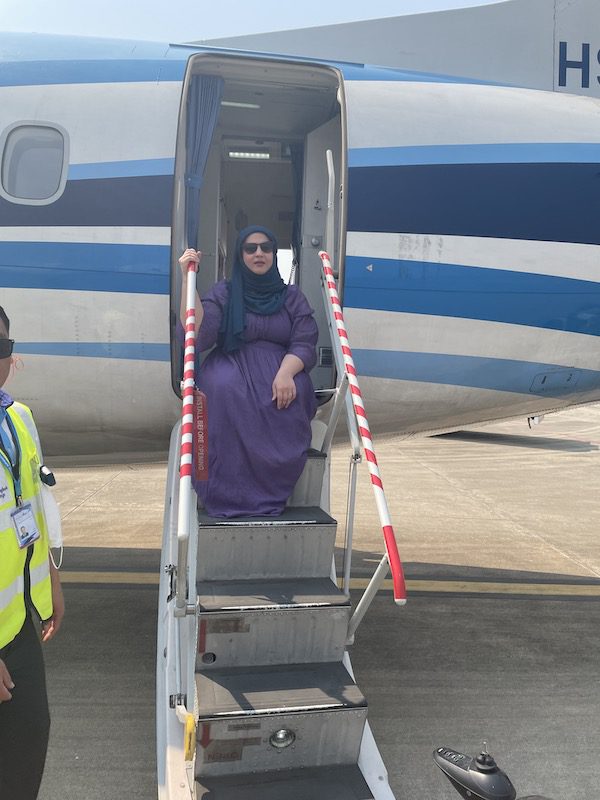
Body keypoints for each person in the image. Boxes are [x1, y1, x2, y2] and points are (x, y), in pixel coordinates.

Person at [179, 224, 318, 517]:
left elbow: (305, 342)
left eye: (266, 248)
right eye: (250, 248)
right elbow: (200, 332)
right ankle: (226, 493)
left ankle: (271, 487)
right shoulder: (225, 292)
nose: (259, 254)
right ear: (240, 255)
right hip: (232, 362)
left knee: (297, 391)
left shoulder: (291, 297)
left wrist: (285, 374)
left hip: (283, 368)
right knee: (221, 387)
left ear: (273, 253)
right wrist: (187, 279)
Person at [0, 305, 64, 800]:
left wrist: (53, 581)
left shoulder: (19, 419)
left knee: (29, 740)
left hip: (20, 621)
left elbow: (34, 510)